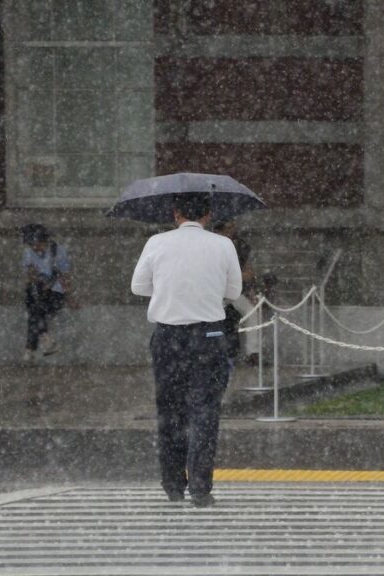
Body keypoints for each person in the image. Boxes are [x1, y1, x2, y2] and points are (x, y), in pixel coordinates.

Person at [131, 192, 242, 507]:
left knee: (170, 411)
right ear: (207, 215)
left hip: (167, 335)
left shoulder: (156, 243)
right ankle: (201, 486)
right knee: (206, 410)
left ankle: (172, 484)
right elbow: (234, 290)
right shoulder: (223, 245)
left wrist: (168, 288)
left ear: (176, 213)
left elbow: (138, 287)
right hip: (209, 335)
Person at [21, 223, 78, 362]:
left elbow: (65, 276)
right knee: (34, 308)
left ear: (44, 241)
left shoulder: (58, 252)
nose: (35, 248)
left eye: (36, 244)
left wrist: (69, 297)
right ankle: (44, 342)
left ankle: (32, 348)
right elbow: (30, 275)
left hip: (55, 293)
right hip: (37, 291)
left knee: (35, 312)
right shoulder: (28, 253)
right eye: (31, 245)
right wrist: (37, 281)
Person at [211, 219, 261, 365]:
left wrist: (250, 289)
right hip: (214, 292)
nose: (232, 230)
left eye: (232, 227)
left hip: (234, 291)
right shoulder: (210, 246)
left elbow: (249, 273)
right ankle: (215, 352)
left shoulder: (241, 246)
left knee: (251, 312)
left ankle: (253, 352)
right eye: (228, 227)